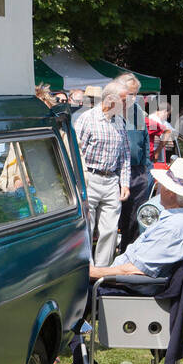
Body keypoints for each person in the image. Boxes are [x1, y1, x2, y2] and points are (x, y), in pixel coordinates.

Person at [54, 157, 183, 364]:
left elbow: (135, 271)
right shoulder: (180, 221)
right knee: (71, 286)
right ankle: (80, 361)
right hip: (137, 284)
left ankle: (67, 357)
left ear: (172, 193)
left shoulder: (176, 227)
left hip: (138, 289)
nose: (160, 187)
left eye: (164, 185)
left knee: (66, 292)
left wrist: (92, 273)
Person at [74, 82, 130, 266]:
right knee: (87, 228)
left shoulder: (120, 122)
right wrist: (80, 180)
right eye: (124, 99)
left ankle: (102, 271)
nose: (127, 103)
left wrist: (125, 183)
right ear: (110, 100)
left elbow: (125, 155)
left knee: (110, 230)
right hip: (90, 177)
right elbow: (75, 151)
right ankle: (86, 269)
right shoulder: (87, 118)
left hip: (111, 180)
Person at [115, 73, 152, 253]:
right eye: (130, 94)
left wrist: (147, 169)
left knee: (135, 219)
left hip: (137, 172)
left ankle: (129, 256)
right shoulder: (110, 111)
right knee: (112, 220)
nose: (134, 98)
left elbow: (145, 141)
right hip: (114, 172)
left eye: (136, 94)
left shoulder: (137, 112)